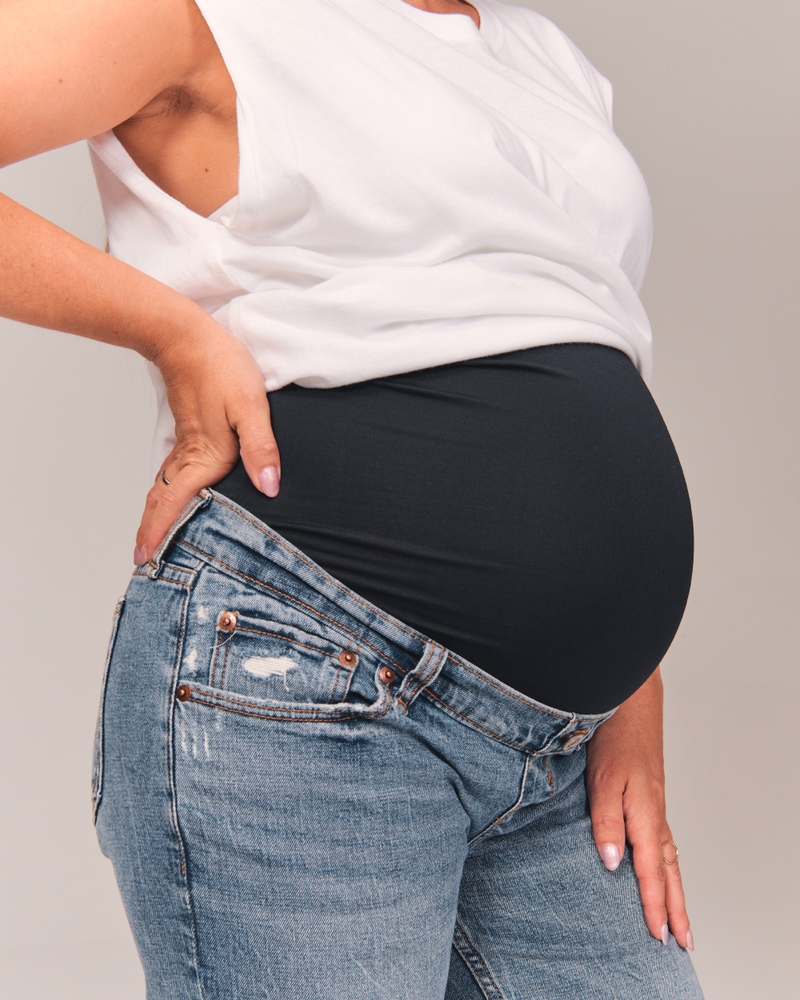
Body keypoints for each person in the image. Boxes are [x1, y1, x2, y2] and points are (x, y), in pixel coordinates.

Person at [0, 0, 703, 996]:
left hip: (559, 744)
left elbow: (575, 325)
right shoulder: (205, 13)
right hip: (307, 681)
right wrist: (170, 330)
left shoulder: (542, 55)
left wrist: (627, 676)